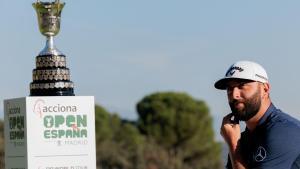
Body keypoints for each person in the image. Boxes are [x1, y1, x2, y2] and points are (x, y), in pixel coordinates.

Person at [214, 60, 300, 169]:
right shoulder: (243, 140)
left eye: (242, 86)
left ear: (265, 89)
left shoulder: (285, 131)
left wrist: (233, 145)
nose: (234, 95)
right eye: (230, 88)